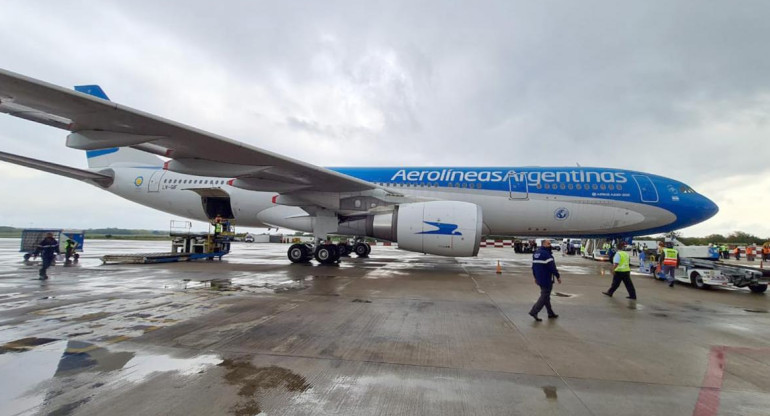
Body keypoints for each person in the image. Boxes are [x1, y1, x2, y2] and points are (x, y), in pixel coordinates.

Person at [529, 239, 561, 321]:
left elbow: (533, 267)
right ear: (544, 244)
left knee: (546, 296)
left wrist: (535, 277)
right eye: (548, 243)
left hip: (539, 278)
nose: (550, 245)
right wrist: (558, 276)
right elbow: (552, 268)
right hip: (547, 278)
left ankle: (550, 313)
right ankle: (534, 311)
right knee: (544, 296)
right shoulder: (547, 254)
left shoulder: (536, 253)